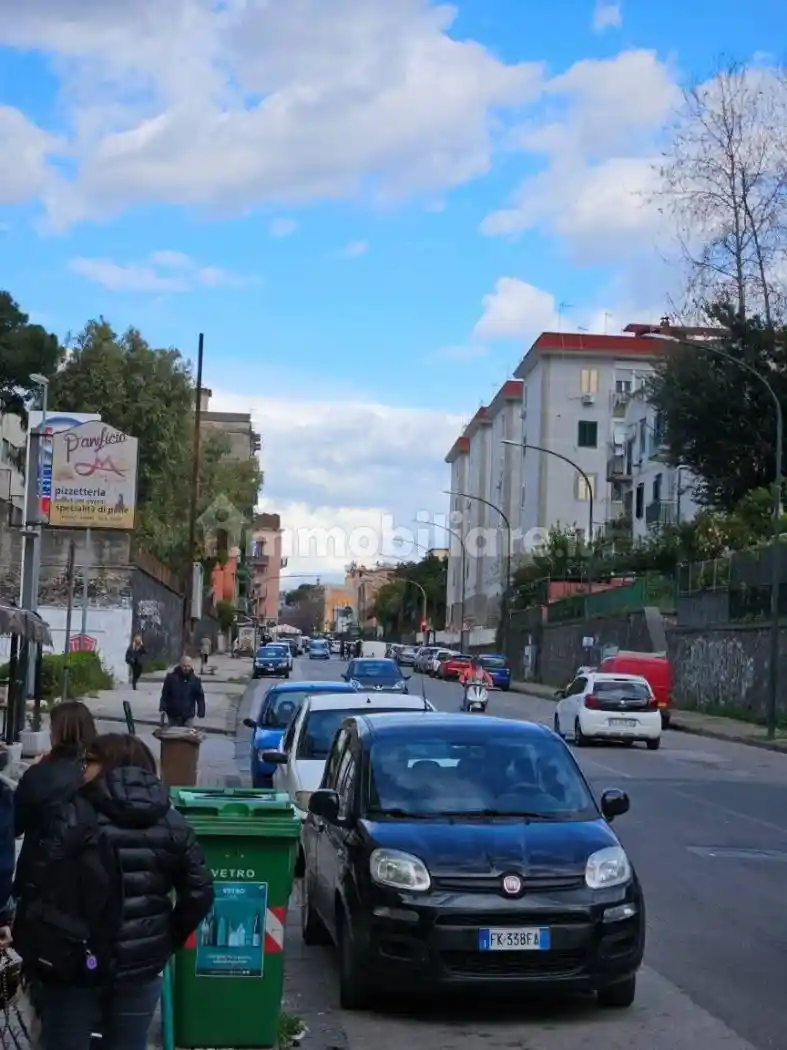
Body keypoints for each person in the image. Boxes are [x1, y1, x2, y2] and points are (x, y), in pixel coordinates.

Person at [15, 733, 214, 1050]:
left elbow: (35, 881)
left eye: (89, 761)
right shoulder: (172, 821)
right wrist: (163, 941)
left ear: (108, 766)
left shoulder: (74, 813)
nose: (82, 769)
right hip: (140, 967)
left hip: (74, 962)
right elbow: (200, 893)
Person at [159, 655, 205, 727]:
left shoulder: (195, 680)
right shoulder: (171, 678)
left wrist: (201, 710)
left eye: (188, 666)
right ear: (180, 665)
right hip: (173, 714)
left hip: (188, 714)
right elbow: (165, 694)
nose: (186, 668)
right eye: (184, 666)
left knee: (187, 735)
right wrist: (162, 707)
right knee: (174, 735)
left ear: (191, 666)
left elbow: (199, 696)